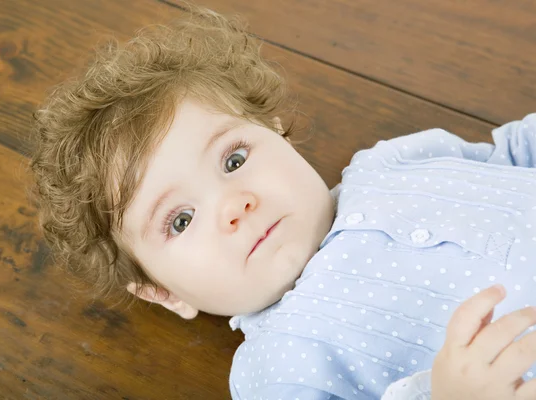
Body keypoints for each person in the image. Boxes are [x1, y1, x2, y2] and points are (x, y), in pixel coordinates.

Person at [29, 4, 536, 399]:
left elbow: (512, 151)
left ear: (277, 133)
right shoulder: (277, 369)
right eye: (180, 220)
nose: (234, 204)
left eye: (232, 160)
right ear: (164, 293)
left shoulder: (388, 163)